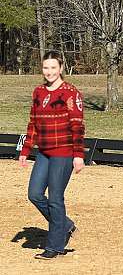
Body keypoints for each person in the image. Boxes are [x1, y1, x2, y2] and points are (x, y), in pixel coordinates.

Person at [18, 50, 85, 260]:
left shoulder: (70, 93)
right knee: (35, 194)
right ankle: (64, 224)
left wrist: (78, 155)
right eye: (46, 68)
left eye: (53, 67)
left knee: (55, 199)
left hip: (63, 153)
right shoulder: (38, 92)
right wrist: (25, 150)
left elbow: (77, 126)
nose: (49, 72)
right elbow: (33, 124)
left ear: (61, 69)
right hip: (44, 152)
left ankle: (55, 246)